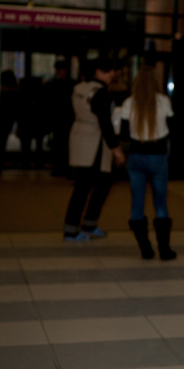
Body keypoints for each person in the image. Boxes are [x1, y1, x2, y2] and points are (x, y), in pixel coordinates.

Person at [63, 57, 125, 241]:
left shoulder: (78, 88)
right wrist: (116, 148)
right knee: (90, 186)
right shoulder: (100, 92)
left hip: (79, 137)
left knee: (92, 184)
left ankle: (86, 224)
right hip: (94, 143)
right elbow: (105, 123)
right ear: (98, 71)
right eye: (109, 70)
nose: (112, 74)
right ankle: (73, 229)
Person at [120, 65, 176, 260]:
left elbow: (124, 134)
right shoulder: (163, 101)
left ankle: (145, 249)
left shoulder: (128, 103)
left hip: (136, 155)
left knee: (137, 203)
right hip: (158, 155)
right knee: (160, 203)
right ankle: (164, 250)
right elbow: (173, 127)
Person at [44, 59, 76, 176]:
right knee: (59, 144)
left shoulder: (71, 84)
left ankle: (65, 167)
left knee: (66, 144)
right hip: (58, 118)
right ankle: (59, 166)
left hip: (67, 118)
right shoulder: (53, 84)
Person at [0, 70, 20, 171]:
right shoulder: (15, 93)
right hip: (8, 120)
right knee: (3, 141)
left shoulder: (4, 92)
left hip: (5, 119)